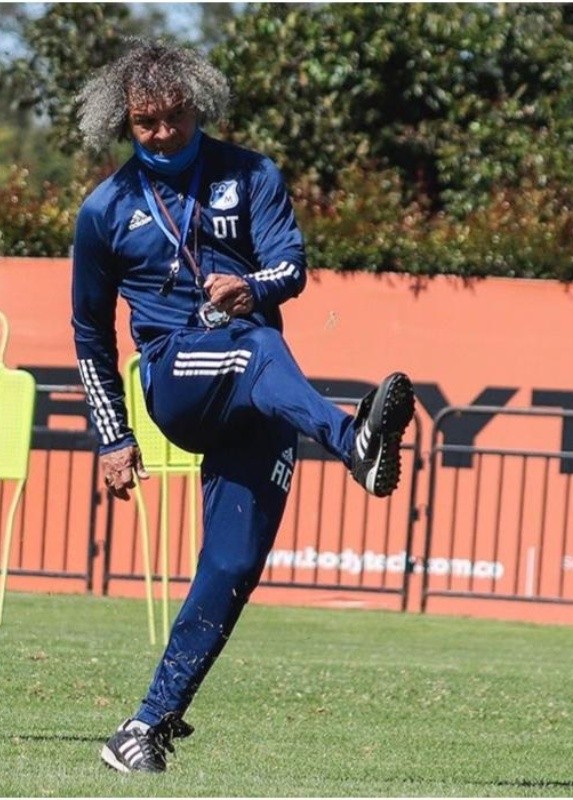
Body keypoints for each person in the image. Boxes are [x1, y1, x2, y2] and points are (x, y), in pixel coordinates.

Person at [71, 38, 415, 774]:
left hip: (255, 394)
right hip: (178, 375)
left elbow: (291, 266)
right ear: (124, 124)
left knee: (232, 566)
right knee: (259, 350)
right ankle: (353, 442)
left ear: (198, 103)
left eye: (173, 116)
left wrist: (251, 287)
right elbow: (88, 332)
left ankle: (143, 730)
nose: (162, 133)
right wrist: (112, 436)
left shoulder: (252, 173)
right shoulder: (105, 210)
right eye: (144, 122)